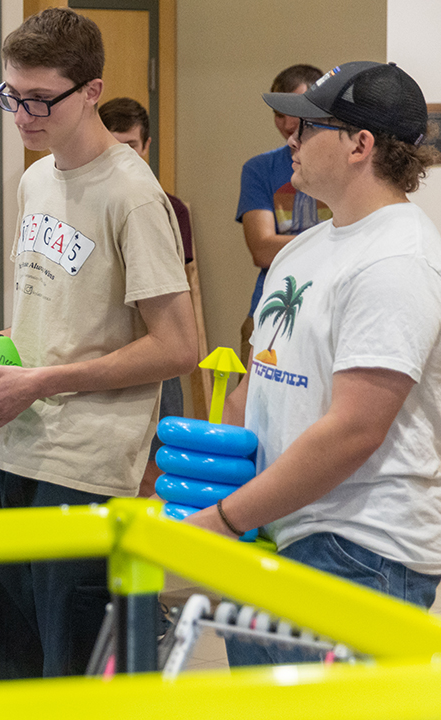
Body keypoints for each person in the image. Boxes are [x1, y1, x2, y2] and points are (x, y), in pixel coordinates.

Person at [0, 8, 197, 679]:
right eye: (13, 96)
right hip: (18, 447)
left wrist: (42, 381)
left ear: (90, 91)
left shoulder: (132, 195)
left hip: (86, 464)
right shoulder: (35, 179)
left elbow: (178, 345)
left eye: (40, 99)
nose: (24, 115)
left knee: (77, 674)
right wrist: (9, 352)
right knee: (17, 666)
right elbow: (62, 310)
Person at [185, 61, 441, 666]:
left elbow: (355, 428)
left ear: (360, 144)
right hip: (276, 527)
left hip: (360, 551)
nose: (290, 138)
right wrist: (216, 497)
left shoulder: (397, 259)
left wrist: (225, 517)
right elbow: (262, 378)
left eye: (308, 126)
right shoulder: (303, 248)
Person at [98, 96, 194, 496]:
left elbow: (175, 292)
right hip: (105, 354)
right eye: (115, 144)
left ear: (147, 145)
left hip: (155, 352)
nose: (124, 155)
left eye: (132, 146)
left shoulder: (161, 207)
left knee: (158, 465)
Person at [237, 64, 329, 355]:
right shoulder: (260, 168)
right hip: (271, 307)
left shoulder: (339, 164)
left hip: (327, 309)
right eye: (279, 115)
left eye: (296, 113)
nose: (288, 125)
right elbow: (262, 249)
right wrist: (336, 241)